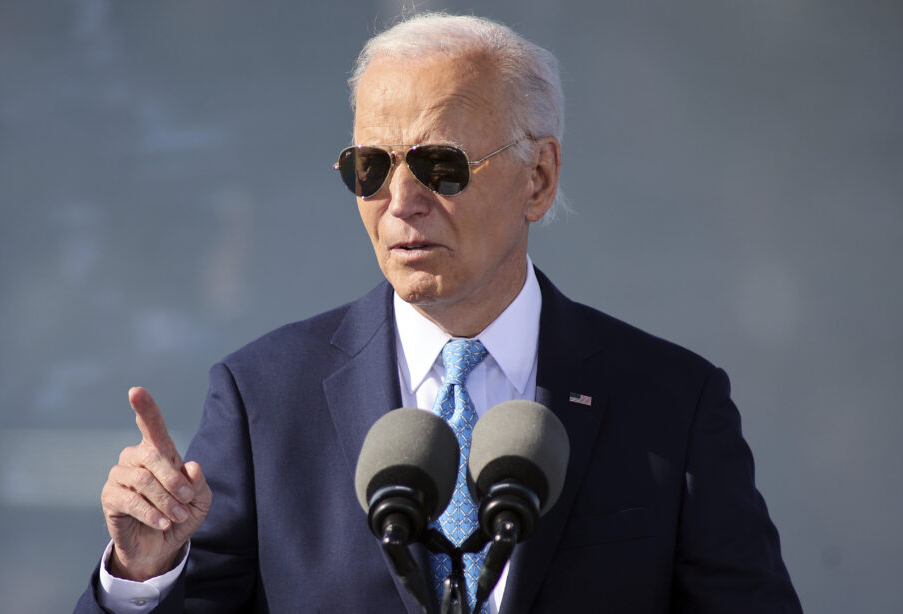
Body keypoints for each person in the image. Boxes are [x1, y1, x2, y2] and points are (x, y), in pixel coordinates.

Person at [75, 12, 802, 614]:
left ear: (539, 178)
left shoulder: (670, 402)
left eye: (440, 166)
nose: (401, 201)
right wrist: (143, 577)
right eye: (371, 167)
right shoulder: (263, 397)